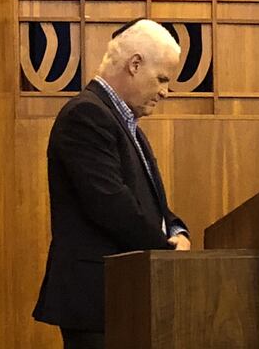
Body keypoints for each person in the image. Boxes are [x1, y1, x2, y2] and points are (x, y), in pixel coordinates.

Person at [33, 19, 191, 349]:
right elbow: (110, 203)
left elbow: (150, 200)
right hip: (98, 300)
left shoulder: (121, 119)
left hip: (120, 296)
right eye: (162, 78)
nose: (166, 91)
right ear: (135, 64)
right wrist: (165, 248)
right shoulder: (86, 115)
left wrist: (176, 230)